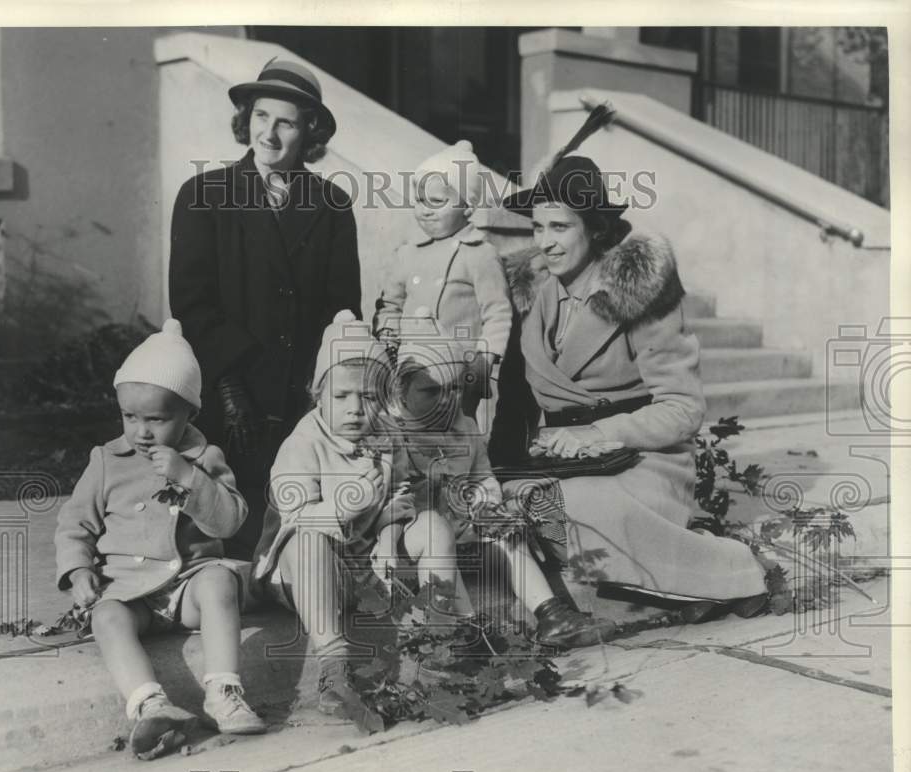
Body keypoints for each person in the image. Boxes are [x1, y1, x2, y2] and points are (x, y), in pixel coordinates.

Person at [501, 106, 772, 621]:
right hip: (560, 460)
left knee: (573, 508)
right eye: (537, 227)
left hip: (642, 459)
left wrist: (598, 432)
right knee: (502, 502)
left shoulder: (640, 292)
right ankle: (669, 587)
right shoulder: (535, 292)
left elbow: (683, 408)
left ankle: (728, 571)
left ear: (595, 228)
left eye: (560, 226)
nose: (544, 242)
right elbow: (516, 397)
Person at [169, 58, 362, 559]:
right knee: (224, 537)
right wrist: (231, 387)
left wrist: (319, 389)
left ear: (310, 131)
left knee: (299, 537)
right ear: (245, 120)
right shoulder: (203, 196)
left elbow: (343, 308)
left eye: (286, 122)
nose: (269, 134)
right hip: (228, 394)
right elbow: (192, 303)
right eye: (260, 117)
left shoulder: (333, 204)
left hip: (301, 396)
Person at [53, 319, 265, 762]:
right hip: (132, 591)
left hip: (187, 583)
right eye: (130, 417)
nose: (141, 431)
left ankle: (224, 690)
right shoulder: (107, 461)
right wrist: (77, 570)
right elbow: (75, 523)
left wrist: (190, 479)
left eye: (156, 419)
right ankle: (150, 703)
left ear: (189, 413)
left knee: (219, 583)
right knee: (107, 617)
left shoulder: (203, 458)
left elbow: (230, 522)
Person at [252, 311, 477, 715]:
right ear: (316, 394)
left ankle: (441, 642)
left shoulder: (386, 436)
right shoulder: (302, 445)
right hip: (311, 577)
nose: (356, 409)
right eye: (341, 397)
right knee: (306, 540)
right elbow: (295, 515)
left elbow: (403, 492)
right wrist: (343, 508)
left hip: (369, 567)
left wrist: (390, 528)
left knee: (432, 525)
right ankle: (334, 669)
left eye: (369, 397)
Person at [383, 309, 616, 647]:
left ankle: (550, 614)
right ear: (400, 392)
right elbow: (389, 501)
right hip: (416, 546)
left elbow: (482, 477)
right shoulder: (393, 435)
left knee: (506, 531)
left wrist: (486, 504)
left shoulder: (464, 427)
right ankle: (462, 635)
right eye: (431, 392)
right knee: (437, 539)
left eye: (453, 389)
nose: (446, 402)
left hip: (464, 534)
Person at [374, 140, 512, 432]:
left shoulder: (479, 253)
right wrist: (388, 341)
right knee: (407, 432)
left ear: (468, 207)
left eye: (437, 202)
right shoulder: (408, 252)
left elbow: (497, 312)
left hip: (458, 371)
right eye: (420, 201)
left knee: (456, 434)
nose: (425, 210)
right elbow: (391, 304)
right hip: (410, 366)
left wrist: (484, 360)